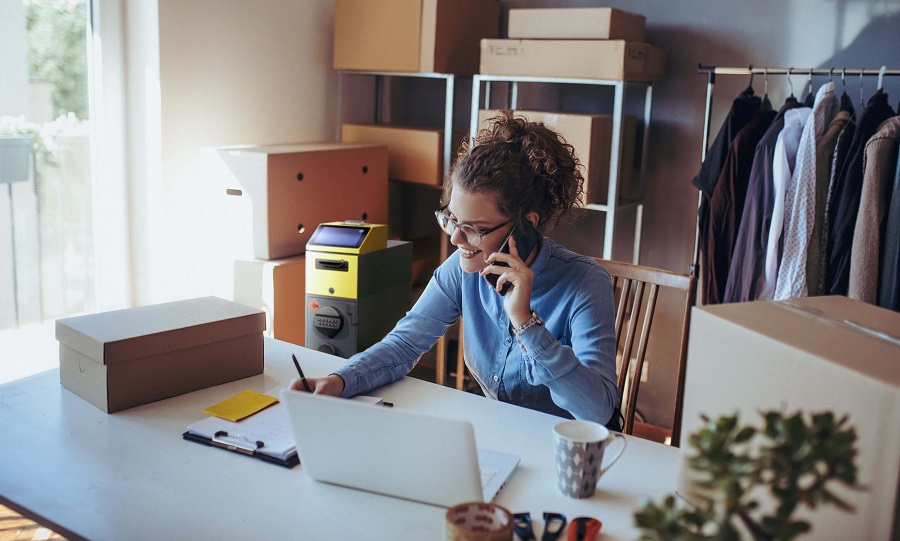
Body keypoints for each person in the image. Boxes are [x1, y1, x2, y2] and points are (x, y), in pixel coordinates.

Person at [292, 110, 620, 427]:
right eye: (451, 220)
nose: (455, 239)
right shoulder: (462, 270)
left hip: (562, 453)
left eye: (474, 228)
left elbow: (597, 412)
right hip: (495, 436)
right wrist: (339, 381)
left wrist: (526, 323)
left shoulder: (584, 283)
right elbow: (404, 345)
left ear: (526, 226)